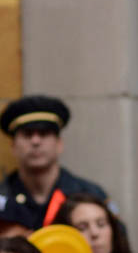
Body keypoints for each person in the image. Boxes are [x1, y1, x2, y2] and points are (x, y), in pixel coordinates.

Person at [0, 94, 110, 231]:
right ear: (13, 146)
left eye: (44, 133)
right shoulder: (3, 197)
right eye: (27, 134)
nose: (35, 141)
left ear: (59, 144)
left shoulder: (89, 194)